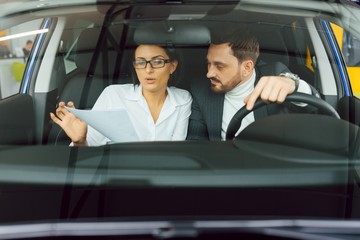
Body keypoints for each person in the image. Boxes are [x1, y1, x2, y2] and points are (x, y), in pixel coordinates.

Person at [187, 29, 319, 141]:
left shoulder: (275, 73)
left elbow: (315, 111)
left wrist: (294, 85)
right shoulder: (200, 89)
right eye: (208, 63)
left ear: (247, 67)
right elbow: (196, 144)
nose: (209, 74)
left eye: (219, 66)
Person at [50, 44, 192, 146]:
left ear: (172, 66)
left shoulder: (183, 99)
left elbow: (177, 150)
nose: (148, 70)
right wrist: (80, 141)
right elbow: (90, 148)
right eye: (141, 62)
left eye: (157, 62)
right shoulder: (113, 95)